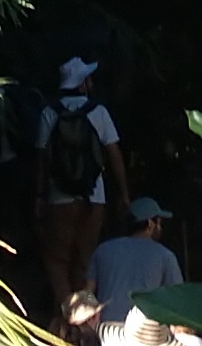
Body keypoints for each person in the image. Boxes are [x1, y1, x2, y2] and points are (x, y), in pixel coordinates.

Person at [28, 56, 128, 319]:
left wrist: (39, 195)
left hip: (59, 198)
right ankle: (83, 323)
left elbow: (42, 158)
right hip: (94, 197)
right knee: (84, 261)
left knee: (56, 261)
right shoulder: (99, 112)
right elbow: (114, 154)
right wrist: (123, 193)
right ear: (83, 83)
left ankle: (69, 318)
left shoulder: (50, 113)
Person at [86, 198, 178, 322]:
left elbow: (87, 295)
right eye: (159, 222)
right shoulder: (166, 256)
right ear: (150, 223)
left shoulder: (102, 250)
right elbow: (177, 301)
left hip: (105, 330)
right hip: (144, 333)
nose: (160, 227)